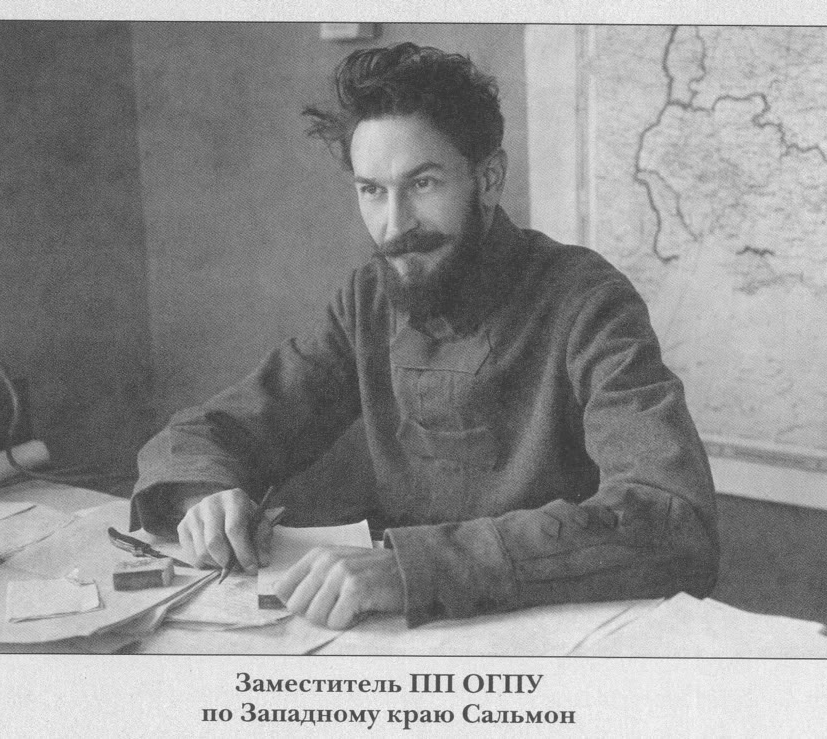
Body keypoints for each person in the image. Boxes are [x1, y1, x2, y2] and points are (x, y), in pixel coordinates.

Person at [130, 42, 720, 630]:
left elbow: (670, 518)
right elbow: (205, 432)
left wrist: (413, 568)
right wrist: (203, 498)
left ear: (488, 179)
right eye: (372, 190)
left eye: (424, 183)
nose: (395, 226)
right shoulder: (367, 302)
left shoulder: (588, 301)